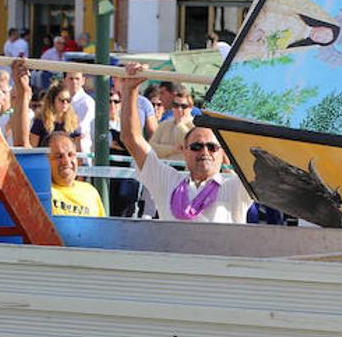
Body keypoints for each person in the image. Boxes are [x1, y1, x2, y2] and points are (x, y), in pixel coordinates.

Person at [119, 61, 254, 223]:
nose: (205, 152)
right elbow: (131, 139)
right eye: (197, 146)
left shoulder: (236, 188)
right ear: (185, 151)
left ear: (222, 153)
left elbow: (262, 150)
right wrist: (130, 88)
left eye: (212, 147)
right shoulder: (168, 181)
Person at [48, 133, 105, 217]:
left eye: (70, 155)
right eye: (59, 156)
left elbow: (101, 227)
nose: (66, 161)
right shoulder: (40, 193)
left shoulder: (90, 191)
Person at [29, 83, 83, 148]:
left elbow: (78, 151)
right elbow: (32, 148)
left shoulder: (73, 122)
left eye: (68, 100)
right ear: (52, 100)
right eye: (61, 100)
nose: (65, 103)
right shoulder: (41, 121)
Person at [149, 87, 196, 159]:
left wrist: (180, 124)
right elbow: (151, 147)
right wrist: (173, 149)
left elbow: (191, 146)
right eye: (176, 105)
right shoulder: (164, 124)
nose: (179, 109)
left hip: (184, 168)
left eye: (183, 106)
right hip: (164, 167)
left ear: (190, 108)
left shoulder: (196, 127)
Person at [62, 70, 96, 154]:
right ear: (64, 80)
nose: (74, 82)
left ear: (83, 81)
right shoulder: (60, 98)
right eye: (71, 78)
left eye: (77, 79)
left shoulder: (88, 102)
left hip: (82, 147)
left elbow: (81, 129)